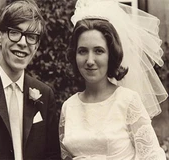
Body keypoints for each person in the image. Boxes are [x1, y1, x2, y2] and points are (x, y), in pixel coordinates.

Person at [59, 0, 168, 159]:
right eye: (82, 51)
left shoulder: (128, 101)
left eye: (98, 51)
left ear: (111, 54)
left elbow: (153, 156)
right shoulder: (68, 107)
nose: (90, 60)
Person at [0, 0, 61, 159]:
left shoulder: (45, 95)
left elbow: (51, 155)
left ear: (37, 46)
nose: (23, 43)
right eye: (15, 32)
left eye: (31, 36)